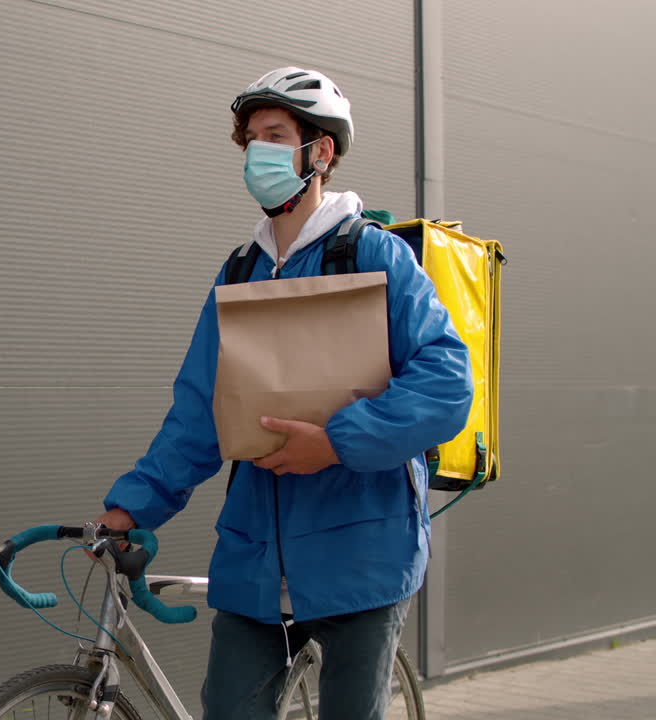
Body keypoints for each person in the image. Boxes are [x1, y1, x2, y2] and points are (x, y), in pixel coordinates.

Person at [94, 67, 474, 719]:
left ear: (319, 151)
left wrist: (335, 443)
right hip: (255, 564)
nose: (257, 153)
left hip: (364, 553)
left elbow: (446, 383)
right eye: (250, 140)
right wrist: (132, 506)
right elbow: (199, 411)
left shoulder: (374, 256)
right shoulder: (240, 271)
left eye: (275, 135)